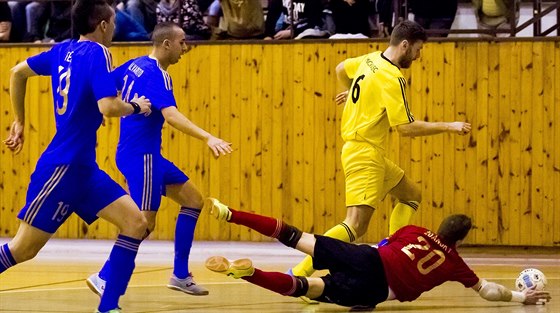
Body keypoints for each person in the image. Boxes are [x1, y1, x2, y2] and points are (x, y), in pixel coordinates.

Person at [289, 20, 472, 280]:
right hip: (365, 154)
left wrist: (348, 88)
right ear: (405, 45)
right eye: (418, 50)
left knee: (411, 194)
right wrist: (449, 125)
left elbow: (341, 68)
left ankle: (392, 250)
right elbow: (406, 128)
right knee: (355, 225)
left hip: (368, 152)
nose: (419, 56)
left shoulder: (371, 59)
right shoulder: (394, 78)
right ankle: (300, 272)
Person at [1, 1, 152, 312]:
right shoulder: (99, 53)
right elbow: (108, 107)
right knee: (23, 249)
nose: (115, 28)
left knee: (136, 223)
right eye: (113, 22)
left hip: (84, 168)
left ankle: (108, 306)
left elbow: (17, 72)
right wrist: (137, 106)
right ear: (103, 25)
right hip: (63, 168)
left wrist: (19, 120)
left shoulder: (62, 50)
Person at [86, 22, 233, 297]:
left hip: (143, 155)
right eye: (182, 42)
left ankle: (179, 275)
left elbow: (104, 86)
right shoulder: (159, 75)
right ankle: (105, 276)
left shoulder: (135, 64)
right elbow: (172, 115)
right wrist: (208, 137)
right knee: (143, 223)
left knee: (193, 201)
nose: (185, 48)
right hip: (143, 157)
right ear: (166, 44)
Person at [204, 198, 552, 308]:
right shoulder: (455, 263)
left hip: (370, 258)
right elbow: (489, 290)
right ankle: (250, 274)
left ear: (440, 226)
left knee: (298, 236)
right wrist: (522, 298)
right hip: (376, 290)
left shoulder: (413, 231)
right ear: (459, 240)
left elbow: (385, 245)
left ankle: (231, 212)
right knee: (307, 288)